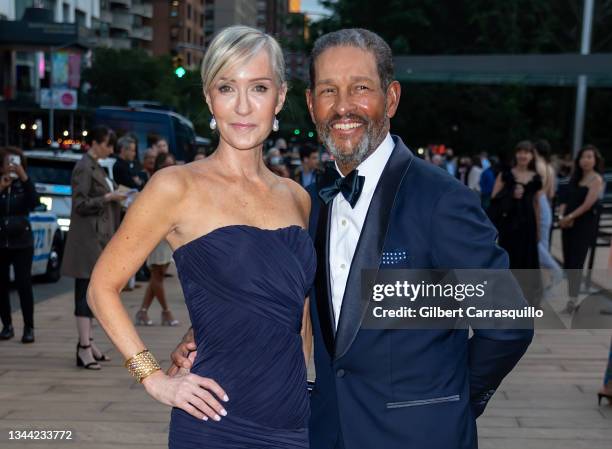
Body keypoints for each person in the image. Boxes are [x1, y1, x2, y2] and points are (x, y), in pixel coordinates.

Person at [171, 28, 533, 449]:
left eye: (360, 88)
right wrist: (203, 332)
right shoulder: (311, 203)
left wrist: (449, 403)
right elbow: (284, 299)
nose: (343, 106)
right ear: (310, 104)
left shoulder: (441, 200)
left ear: (391, 98)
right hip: (326, 432)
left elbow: (508, 325)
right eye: (328, 91)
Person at [88, 26, 313, 449]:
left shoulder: (297, 198)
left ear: (280, 97)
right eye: (227, 87)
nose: (243, 105)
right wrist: (153, 378)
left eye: (259, 87)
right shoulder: (176, 187)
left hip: (293, 422)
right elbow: (101, 288)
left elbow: (293, 314)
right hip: (216, 422)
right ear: (210, 98)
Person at [61, 125, 125, 370]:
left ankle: (88, 343)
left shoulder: (94, 165)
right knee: (84, 294)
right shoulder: (84, 166)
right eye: (108, 144)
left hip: (96, 238)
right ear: (96, 143)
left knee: (90, 293)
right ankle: (84, 348)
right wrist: (108, 198)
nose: (110, 149)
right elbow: (80, 203)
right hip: (86, 240)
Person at [134, 152, 180, 327]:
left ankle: (142, 312)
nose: (170, 168)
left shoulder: (176, 183)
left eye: (172, 165)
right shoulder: (155, 184)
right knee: (157, 274)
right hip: (156, 233)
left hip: (169, 234)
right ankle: (166, 312)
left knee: (158, 275)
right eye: (166, 165)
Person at [559, 145, 604, 313]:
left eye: (589, 157)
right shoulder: (574, 178)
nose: (586, 160)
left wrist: (570, 217)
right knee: (569, 262)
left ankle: (573, 301)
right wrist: (562, 217)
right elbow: (564, 200)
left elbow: (587, 205)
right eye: (583, 157)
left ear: (595, 160)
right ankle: (571, 298)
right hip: (567, 225)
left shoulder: (596, 179)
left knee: (577, 262)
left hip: (582, 226)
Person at [0, 147, 38, 343]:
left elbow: (34, 202)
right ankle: (6, 325)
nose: (11, 166)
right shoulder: (1, 182)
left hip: (22, 241)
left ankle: (28, 327)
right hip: (1, 241)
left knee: (24, 284)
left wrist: (24, 178)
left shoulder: (24, 185)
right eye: (8, 161)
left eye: (15, 162)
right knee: (2, 285)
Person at [534, 139, 563, 288]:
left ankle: (556, 271)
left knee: (535, 244)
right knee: (542, 246)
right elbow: (551, 193)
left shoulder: (537, 166)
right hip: (546, 205)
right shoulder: (550, 168)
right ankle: (543, 284)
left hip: (538, 204)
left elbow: (536, 193)